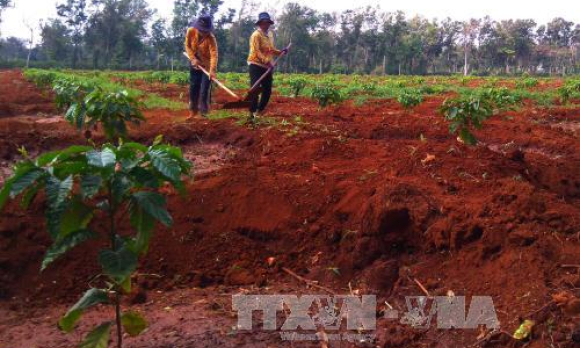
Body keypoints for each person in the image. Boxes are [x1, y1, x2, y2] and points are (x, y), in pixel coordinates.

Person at [247, 12, 289, 120]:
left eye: (267, 23)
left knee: (267, 90)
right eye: (263, 23)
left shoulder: (269, 34)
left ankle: (259, 111)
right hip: (255, 64)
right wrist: (267, 61)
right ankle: (251, 114)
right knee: (255, 89)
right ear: (260, 23)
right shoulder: (256, 35)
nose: (266, 25)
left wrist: (280, 52)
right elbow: (256, 51)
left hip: (267, 66)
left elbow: (271, 49)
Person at [184, 14, 218, 120]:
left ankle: (204, 113)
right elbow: (187, 46)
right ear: (197, 28)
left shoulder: (211, 38)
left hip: (206, 67)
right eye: (202, 30)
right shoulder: (190, 31)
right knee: (194, 88)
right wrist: (193, 59)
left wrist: (212, 70)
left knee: (204, 90)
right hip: (194, 64)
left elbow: (214, 54)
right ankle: (193, 111)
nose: (204, 33)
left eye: (206, 31)